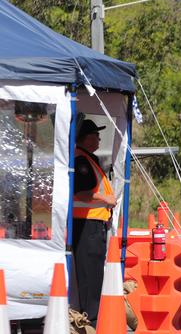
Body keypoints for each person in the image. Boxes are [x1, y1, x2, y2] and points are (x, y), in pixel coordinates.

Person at [72, 119, 116, 326]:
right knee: (91, 275)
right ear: (86, 138)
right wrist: (105, 199)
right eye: (95, 136)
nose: (99, 139)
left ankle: (92, 317)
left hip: (92, 225)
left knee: (94, 273)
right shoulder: (81, 160)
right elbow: (80, 192)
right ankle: (91, 320)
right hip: (87, 225)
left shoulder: (88, 158)